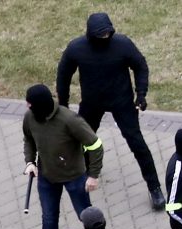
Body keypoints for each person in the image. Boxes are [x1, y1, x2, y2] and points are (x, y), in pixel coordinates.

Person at [56, 12, 164, 210]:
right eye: (101, 34)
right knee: (84, 139)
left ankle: (154, 187)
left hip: (122, 102)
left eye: (108, 33)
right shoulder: (76, 48)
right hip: (92, 103)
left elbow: (140, 66)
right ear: (91, 34)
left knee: (137, 143)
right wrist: (63, 104)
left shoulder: (122, 44)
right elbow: (63, 75)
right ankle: (86, 169)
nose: (106, 37)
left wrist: (141, 94)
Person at [22, 83, 103, 229]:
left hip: (75, 177)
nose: (27, 107)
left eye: (30, 104)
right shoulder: (30, 117)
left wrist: (92, 175)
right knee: (49, 220)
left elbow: (94, 144)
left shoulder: (69, 120)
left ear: (40, 105)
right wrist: (30, 162)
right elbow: (29, 139)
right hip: (46, 179)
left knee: (87, 218)